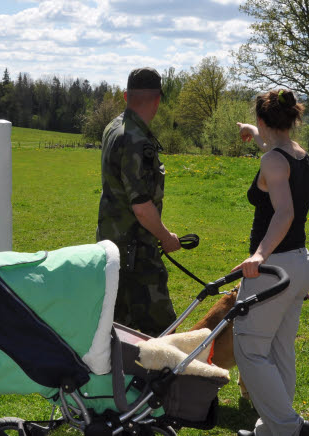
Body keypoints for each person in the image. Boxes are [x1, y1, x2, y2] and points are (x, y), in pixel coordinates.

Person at [232, 89, 309, 436]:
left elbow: (284, 212)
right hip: (300, 264)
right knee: (281, 349)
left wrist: (259, 255)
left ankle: (290, 429)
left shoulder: (272, 162)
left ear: (264, 119)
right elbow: (274, 150)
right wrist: (253, 133)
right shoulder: (299, 155)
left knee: (249, 348)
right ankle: (269, 430)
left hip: (274, 267)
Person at [96, 67, 183, 337]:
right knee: (164, 337)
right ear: (158, 100)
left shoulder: (113, 127)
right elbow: (142, 208)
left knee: (114, 330)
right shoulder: (136, 140)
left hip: (110, 247)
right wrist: (166, 237)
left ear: (125, 95)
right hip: (137, 254)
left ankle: (118, 379)